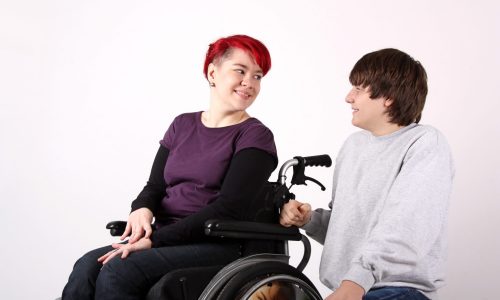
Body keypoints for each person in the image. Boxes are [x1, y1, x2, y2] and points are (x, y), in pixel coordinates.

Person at [62, 34, 278, 300]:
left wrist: (155, 241)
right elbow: (154, 186)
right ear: (213, 72)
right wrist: (141, 208)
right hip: (166, 236)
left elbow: (229, 209)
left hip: (216, 242)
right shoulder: (182, 125)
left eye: (257, 76)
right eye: (240, 71)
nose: (249, 83)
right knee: (86, 267)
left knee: (118, 271)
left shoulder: (255, 135)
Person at [280, 48, 454, 300]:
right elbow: (352, 230)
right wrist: (310, 221)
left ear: (389, 97)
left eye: (358, 89)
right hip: (352, 288)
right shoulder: (354, 146)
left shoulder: (425, 143)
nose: (348, 98)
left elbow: (407, 228)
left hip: (397, 291)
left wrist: (355, 283)